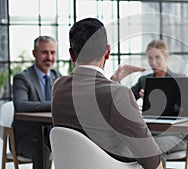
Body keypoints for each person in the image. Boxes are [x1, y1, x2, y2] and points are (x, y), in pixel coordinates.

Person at [51, 18, 163, 169]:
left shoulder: (58, 87)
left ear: (72, 54)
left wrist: (114, 81)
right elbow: (152, 160)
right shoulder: (118, 94)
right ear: (108, 52)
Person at [131, 39, 188, 166]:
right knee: (138, 144)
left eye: (157, 57)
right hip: (152, 132)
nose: (153, 62)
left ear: (166, 57)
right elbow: (126, 100)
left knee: (150, 147)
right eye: (150, 58)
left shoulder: (180, 80)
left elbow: (186, 110)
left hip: (176, 134)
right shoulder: (144, 81)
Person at [13, 36, 61, 169]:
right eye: (44, 52)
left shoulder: (57, 76)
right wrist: (52, 104)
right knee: (42, 151)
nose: (49, 57)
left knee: (73, 143)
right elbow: (20, 105)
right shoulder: (22, 78)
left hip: (50, 134)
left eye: (52, 53)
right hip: (27, 137)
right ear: (34, 53)